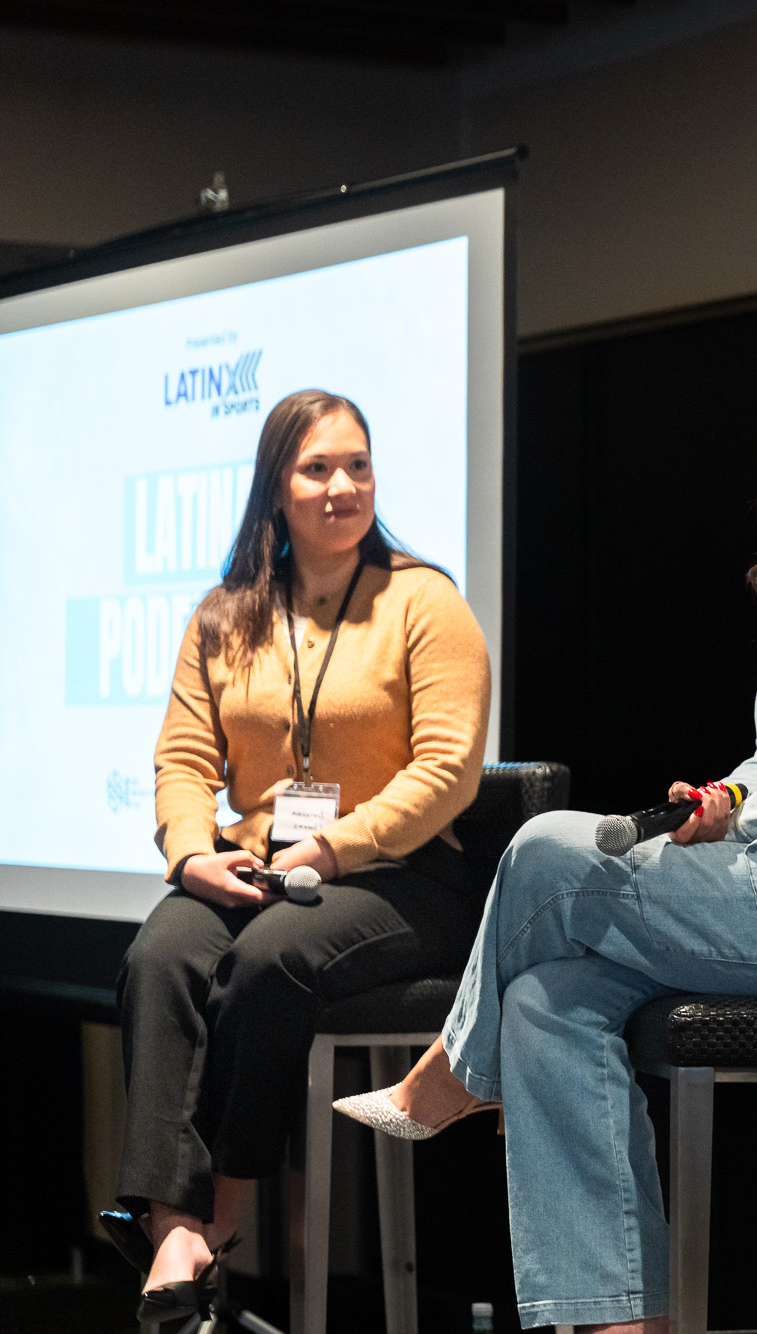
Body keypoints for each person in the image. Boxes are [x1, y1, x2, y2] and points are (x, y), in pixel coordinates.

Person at [340, 337, 757, 1333]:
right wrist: (720, 802)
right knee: (546, 997)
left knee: (543, 851)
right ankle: (620, 1321)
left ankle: (454, 1074)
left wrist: (744, 815)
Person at [106, 390, 491, 1325]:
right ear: (277, 487)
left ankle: (220, 1210)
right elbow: (185, 760)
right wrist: (192, 855)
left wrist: (334, 842)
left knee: (272, 953)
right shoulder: (226, 614)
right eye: (317, 467)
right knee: (158, 955)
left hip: (405, 875)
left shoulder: (422, 599)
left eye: (357, 465)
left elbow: (448, 769)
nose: (341, 485)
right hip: (261, 864)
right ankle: (171, 1225)